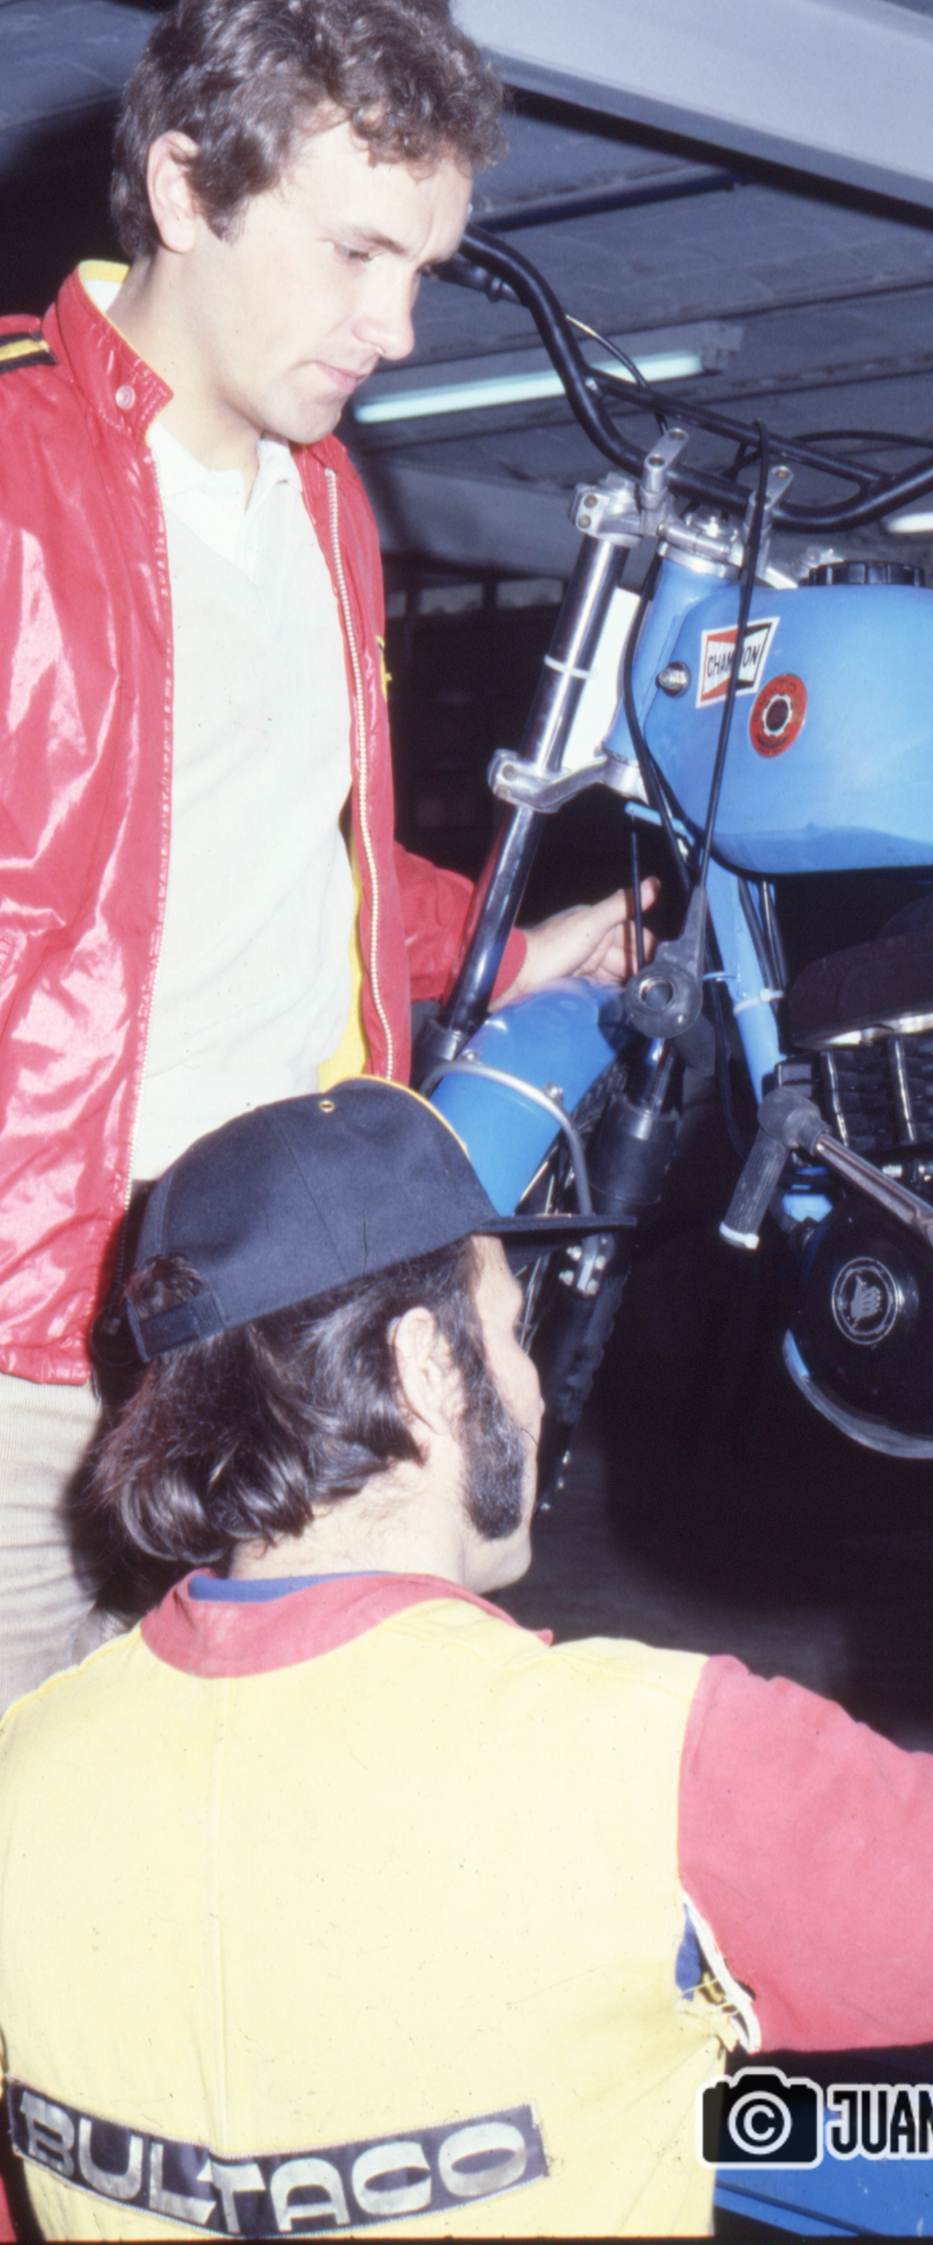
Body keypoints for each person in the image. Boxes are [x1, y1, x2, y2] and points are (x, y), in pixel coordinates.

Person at [0, 1080, 933, 2238]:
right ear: (428, 1369)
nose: (534, 1388)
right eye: (511, 1330)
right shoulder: (648, 1765)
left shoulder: (30, 1763)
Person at [0, 0, 645, 1708]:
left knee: (208, 1834)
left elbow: (288, 848)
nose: (398, 326)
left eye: (421, 269)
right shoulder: (9, 468)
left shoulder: (325, 502)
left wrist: (517, 944)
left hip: (268, 1328)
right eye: (357, 252)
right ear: (187, 189)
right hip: (20, 1341)